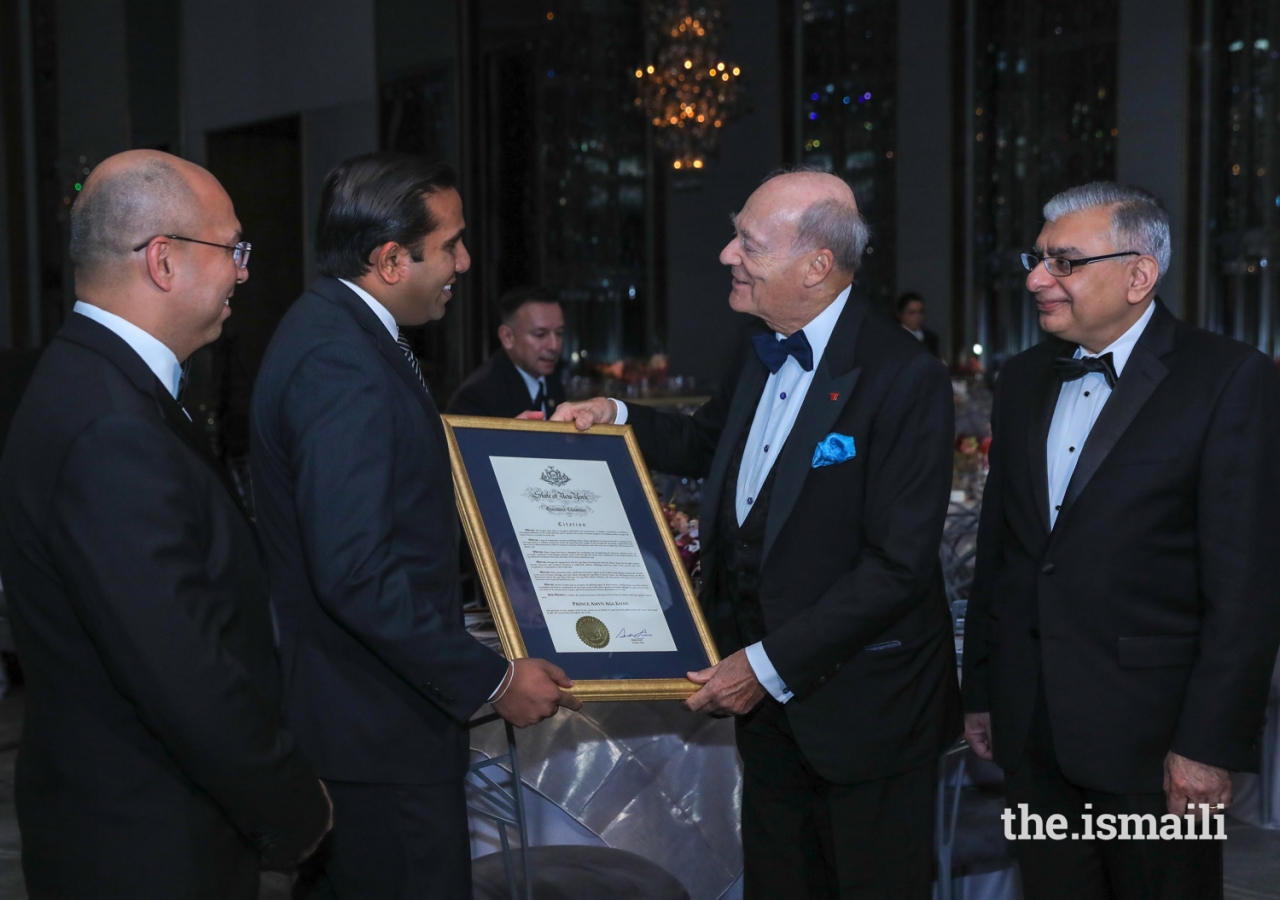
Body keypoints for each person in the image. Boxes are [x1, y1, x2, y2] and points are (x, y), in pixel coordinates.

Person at [553, 168, 960, 899]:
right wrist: (611, 415)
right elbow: (710, 444)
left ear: (816, 265)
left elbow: (896, 567)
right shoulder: (759, 347)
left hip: (862, 712)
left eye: (748, 242)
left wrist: (764, 665)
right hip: (768, 707)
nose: (725, 256)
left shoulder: (905, 377)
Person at [0, 150, 331, 899]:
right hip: (147, 843)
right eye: (232, 248)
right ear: (163, 262)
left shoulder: (96, 382)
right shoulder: (109, 424)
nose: (243, 272)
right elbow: (184, 670)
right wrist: (295, 809)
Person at [250, 152, 581, 899]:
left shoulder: (339, 333)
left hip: (366, 720)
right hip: (376, 732)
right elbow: (356, 572)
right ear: (391, 259)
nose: (464, 262)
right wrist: (493, 678)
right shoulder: (343, 360)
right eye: (452, 244)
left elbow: (389, 498)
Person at [962, 182, 1280, 899]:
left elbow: (1247, 588)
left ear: (1140, 275)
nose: (1037, 279)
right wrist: (983, 688)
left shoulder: (1228, 379)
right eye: (1037, 259)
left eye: (1064, 262)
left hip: (1157, 737)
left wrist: (1206, 745)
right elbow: (1005, 550)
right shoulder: (1019, 379)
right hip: (1032, 726)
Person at [447, 284, 567, 417]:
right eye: (540, 334)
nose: (554, 346)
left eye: (559, 333)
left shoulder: (552, 382)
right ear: (507, 337)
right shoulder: (476, 397)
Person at [895, 290, 940, 357]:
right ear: (901, 315)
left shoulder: (931, 339)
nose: (917, 317)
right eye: (912, 313)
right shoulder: (894, 338)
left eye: (920, 312)